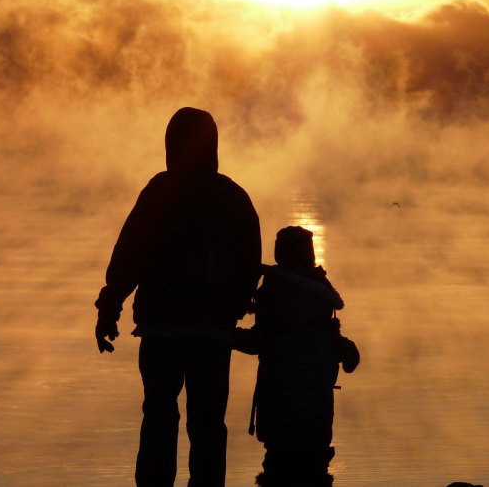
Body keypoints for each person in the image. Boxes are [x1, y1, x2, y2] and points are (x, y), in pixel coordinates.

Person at [94, 107, 262, 487]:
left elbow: (129, 255)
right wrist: (231, 312)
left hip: (161, 333)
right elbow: (249, 267)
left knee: (158, 418)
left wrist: (109, 308)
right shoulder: (234, 198)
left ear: (171, 145)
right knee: (207, 425)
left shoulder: (159, 191)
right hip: (212, 337)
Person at [234, 226, 359, 487]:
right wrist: (348, 353)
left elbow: (258, 341)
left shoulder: (272, 290)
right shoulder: (319, 292)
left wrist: (225, 336)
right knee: (314, 467)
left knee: (278, 467)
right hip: (316, 406)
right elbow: (334, 341)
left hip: (278, 404)